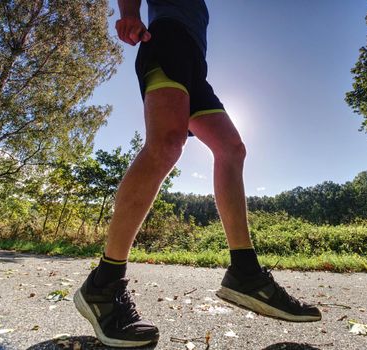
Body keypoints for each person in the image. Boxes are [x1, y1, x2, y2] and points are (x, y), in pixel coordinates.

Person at [74, 0, 322, 347]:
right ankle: (103, 283)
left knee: (231, 149)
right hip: (164, 42)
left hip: (193, 63)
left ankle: (245, 274)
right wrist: (128, 13)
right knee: (166, 143)